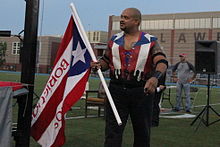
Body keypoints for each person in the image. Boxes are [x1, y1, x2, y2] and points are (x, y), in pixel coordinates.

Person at [91, 8, 168, 147]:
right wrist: (98, 65)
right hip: (116, 90)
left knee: (142, 132)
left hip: (141, 91)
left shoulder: (150, 41)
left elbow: (162, 62)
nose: (121, 20)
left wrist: (155, 78)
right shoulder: (114, 40)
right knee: (112, 132)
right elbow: (106, 61)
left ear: (136, 21)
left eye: (126, 17)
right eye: (121, 17)